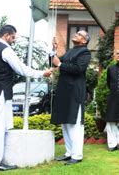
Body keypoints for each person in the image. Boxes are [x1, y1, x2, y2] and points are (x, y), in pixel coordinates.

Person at [0, 25, 52, 171]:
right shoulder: (5, 50)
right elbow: (21, 69)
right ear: (6, 35)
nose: (14, 40)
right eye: (13, 37)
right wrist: (42, 73)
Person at [51, 30, 91, 165]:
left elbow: (79, 69)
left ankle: (77, 155)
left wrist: (60, 64)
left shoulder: (85, 52)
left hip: (75, 91)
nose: (76, 34)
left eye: (79, 34)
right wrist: (54, 50)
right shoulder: (69, 51)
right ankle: (69, 153)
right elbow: (54, 62)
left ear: (84, 41)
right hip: (64, 91)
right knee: (66, 123)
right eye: (76, 33)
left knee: (75, 124)